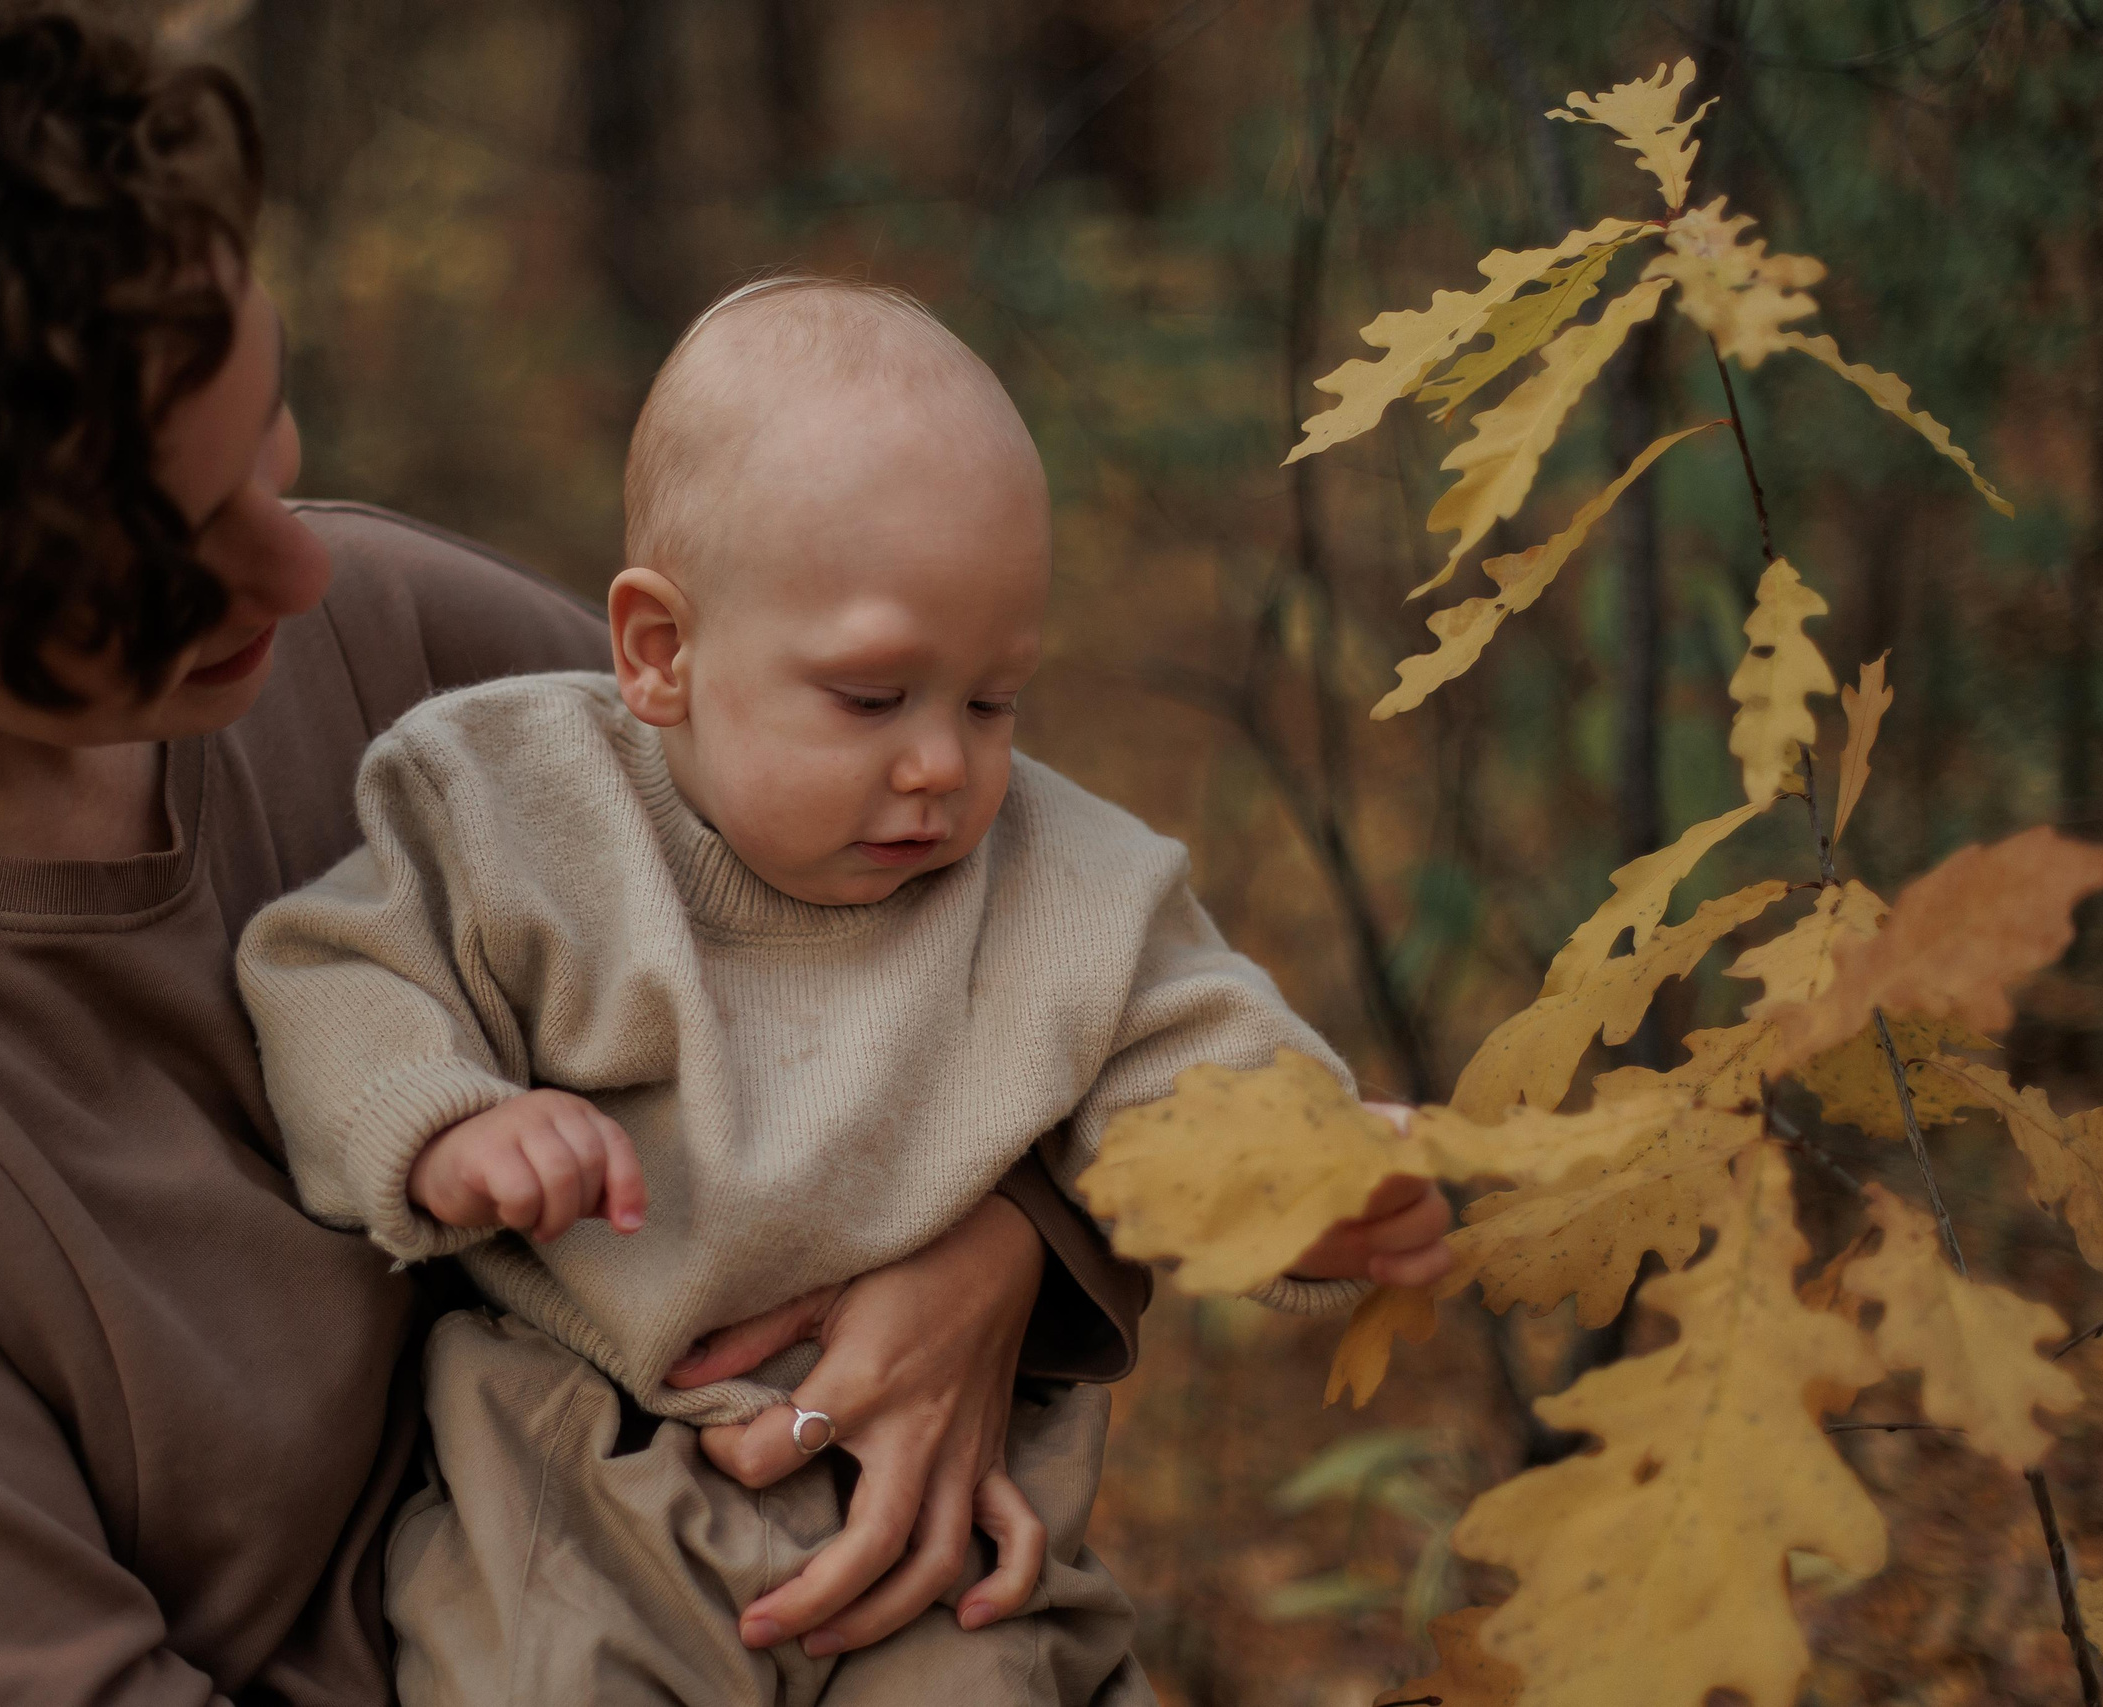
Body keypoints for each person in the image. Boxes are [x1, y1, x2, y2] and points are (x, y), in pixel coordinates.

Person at [0, 7, 1165, 1704]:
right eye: (173, 555)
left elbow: (969, 919)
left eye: (268, 438)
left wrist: (1000, 1255)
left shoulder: (389, 641)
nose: (300, 573)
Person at [236, 277, 1455, 1705]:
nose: (943, 763)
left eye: (993, 701)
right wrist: (444, 1125)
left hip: (949, 1525)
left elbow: (1198, 1077)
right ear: (660, 654)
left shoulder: (1068, 887)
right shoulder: (513, 804)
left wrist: (1314, 1183)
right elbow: (333, 972)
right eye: (873, 699)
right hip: (582, 1485)